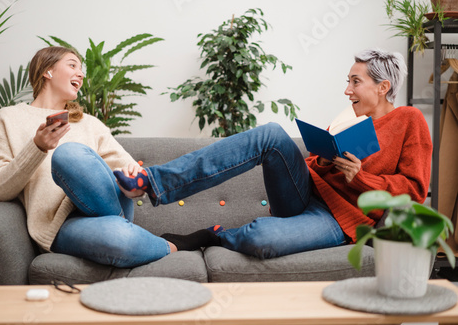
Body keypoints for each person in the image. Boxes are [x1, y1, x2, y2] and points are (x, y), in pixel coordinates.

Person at [115, 48, 432, 259]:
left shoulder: (410, 121)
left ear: (382, 86)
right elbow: (312, 166)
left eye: (355, 82)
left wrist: (359, 177)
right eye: (347, 82)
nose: (347, 90)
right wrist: (322, 160)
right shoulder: (352, 120)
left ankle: (211, 236)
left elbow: (414, 192)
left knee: (261, 239)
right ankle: (152, 180)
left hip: (340, 217)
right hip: (305, 191)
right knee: (271, 134)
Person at [0, 46, 190, 268]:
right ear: (48, 71)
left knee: (68, 154)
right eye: (72, 65)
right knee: (120, 238)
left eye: (81, 69)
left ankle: (122, 226)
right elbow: (0, 188)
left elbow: (127, 166)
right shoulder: (8, 118)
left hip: (108, 204)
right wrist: (37, 147)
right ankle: (175, 243)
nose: (81, 74)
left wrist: (133, 178)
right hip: (63, 226)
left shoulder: (90, 123)